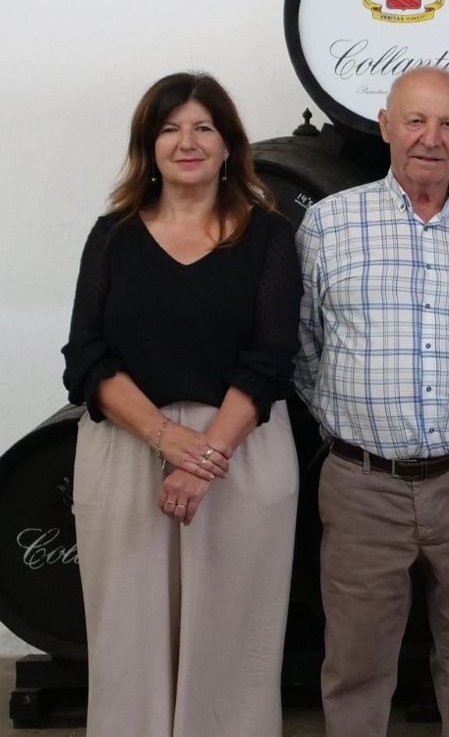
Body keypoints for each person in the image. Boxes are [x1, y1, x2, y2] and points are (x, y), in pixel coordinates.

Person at [61, 71, 301, 737]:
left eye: (203, 127)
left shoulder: (269, 239)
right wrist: (168, 441)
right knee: (128, 639)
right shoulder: (112, 236)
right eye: (169, 128)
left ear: (229, 145)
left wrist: (204, 457)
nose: (186, 141)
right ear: (149, 145)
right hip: (129, 449)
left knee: (233, 642)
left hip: (240, 454)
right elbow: (85, 356)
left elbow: (271, 359)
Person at [294, 65, 449, 737]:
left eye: (448, 123)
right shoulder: (331, 225)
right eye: (416, 120)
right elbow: (305, 345)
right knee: (357, 664)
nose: (432, 137)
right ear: (386, 126)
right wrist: (354, 419)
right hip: (364, 485)